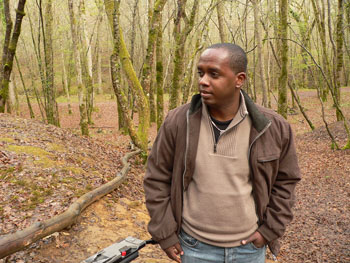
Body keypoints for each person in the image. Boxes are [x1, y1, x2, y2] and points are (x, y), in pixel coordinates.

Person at [144, 43, 301, 263]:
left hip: (249, 250)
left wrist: (269, 231)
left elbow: (286, 182)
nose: (203, 81)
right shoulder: (178, 122)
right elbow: (156, 179)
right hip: (194, 247)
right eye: (201, 73)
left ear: (239, 79)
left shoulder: (272, 127)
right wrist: (166, 234)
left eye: (214, 74)